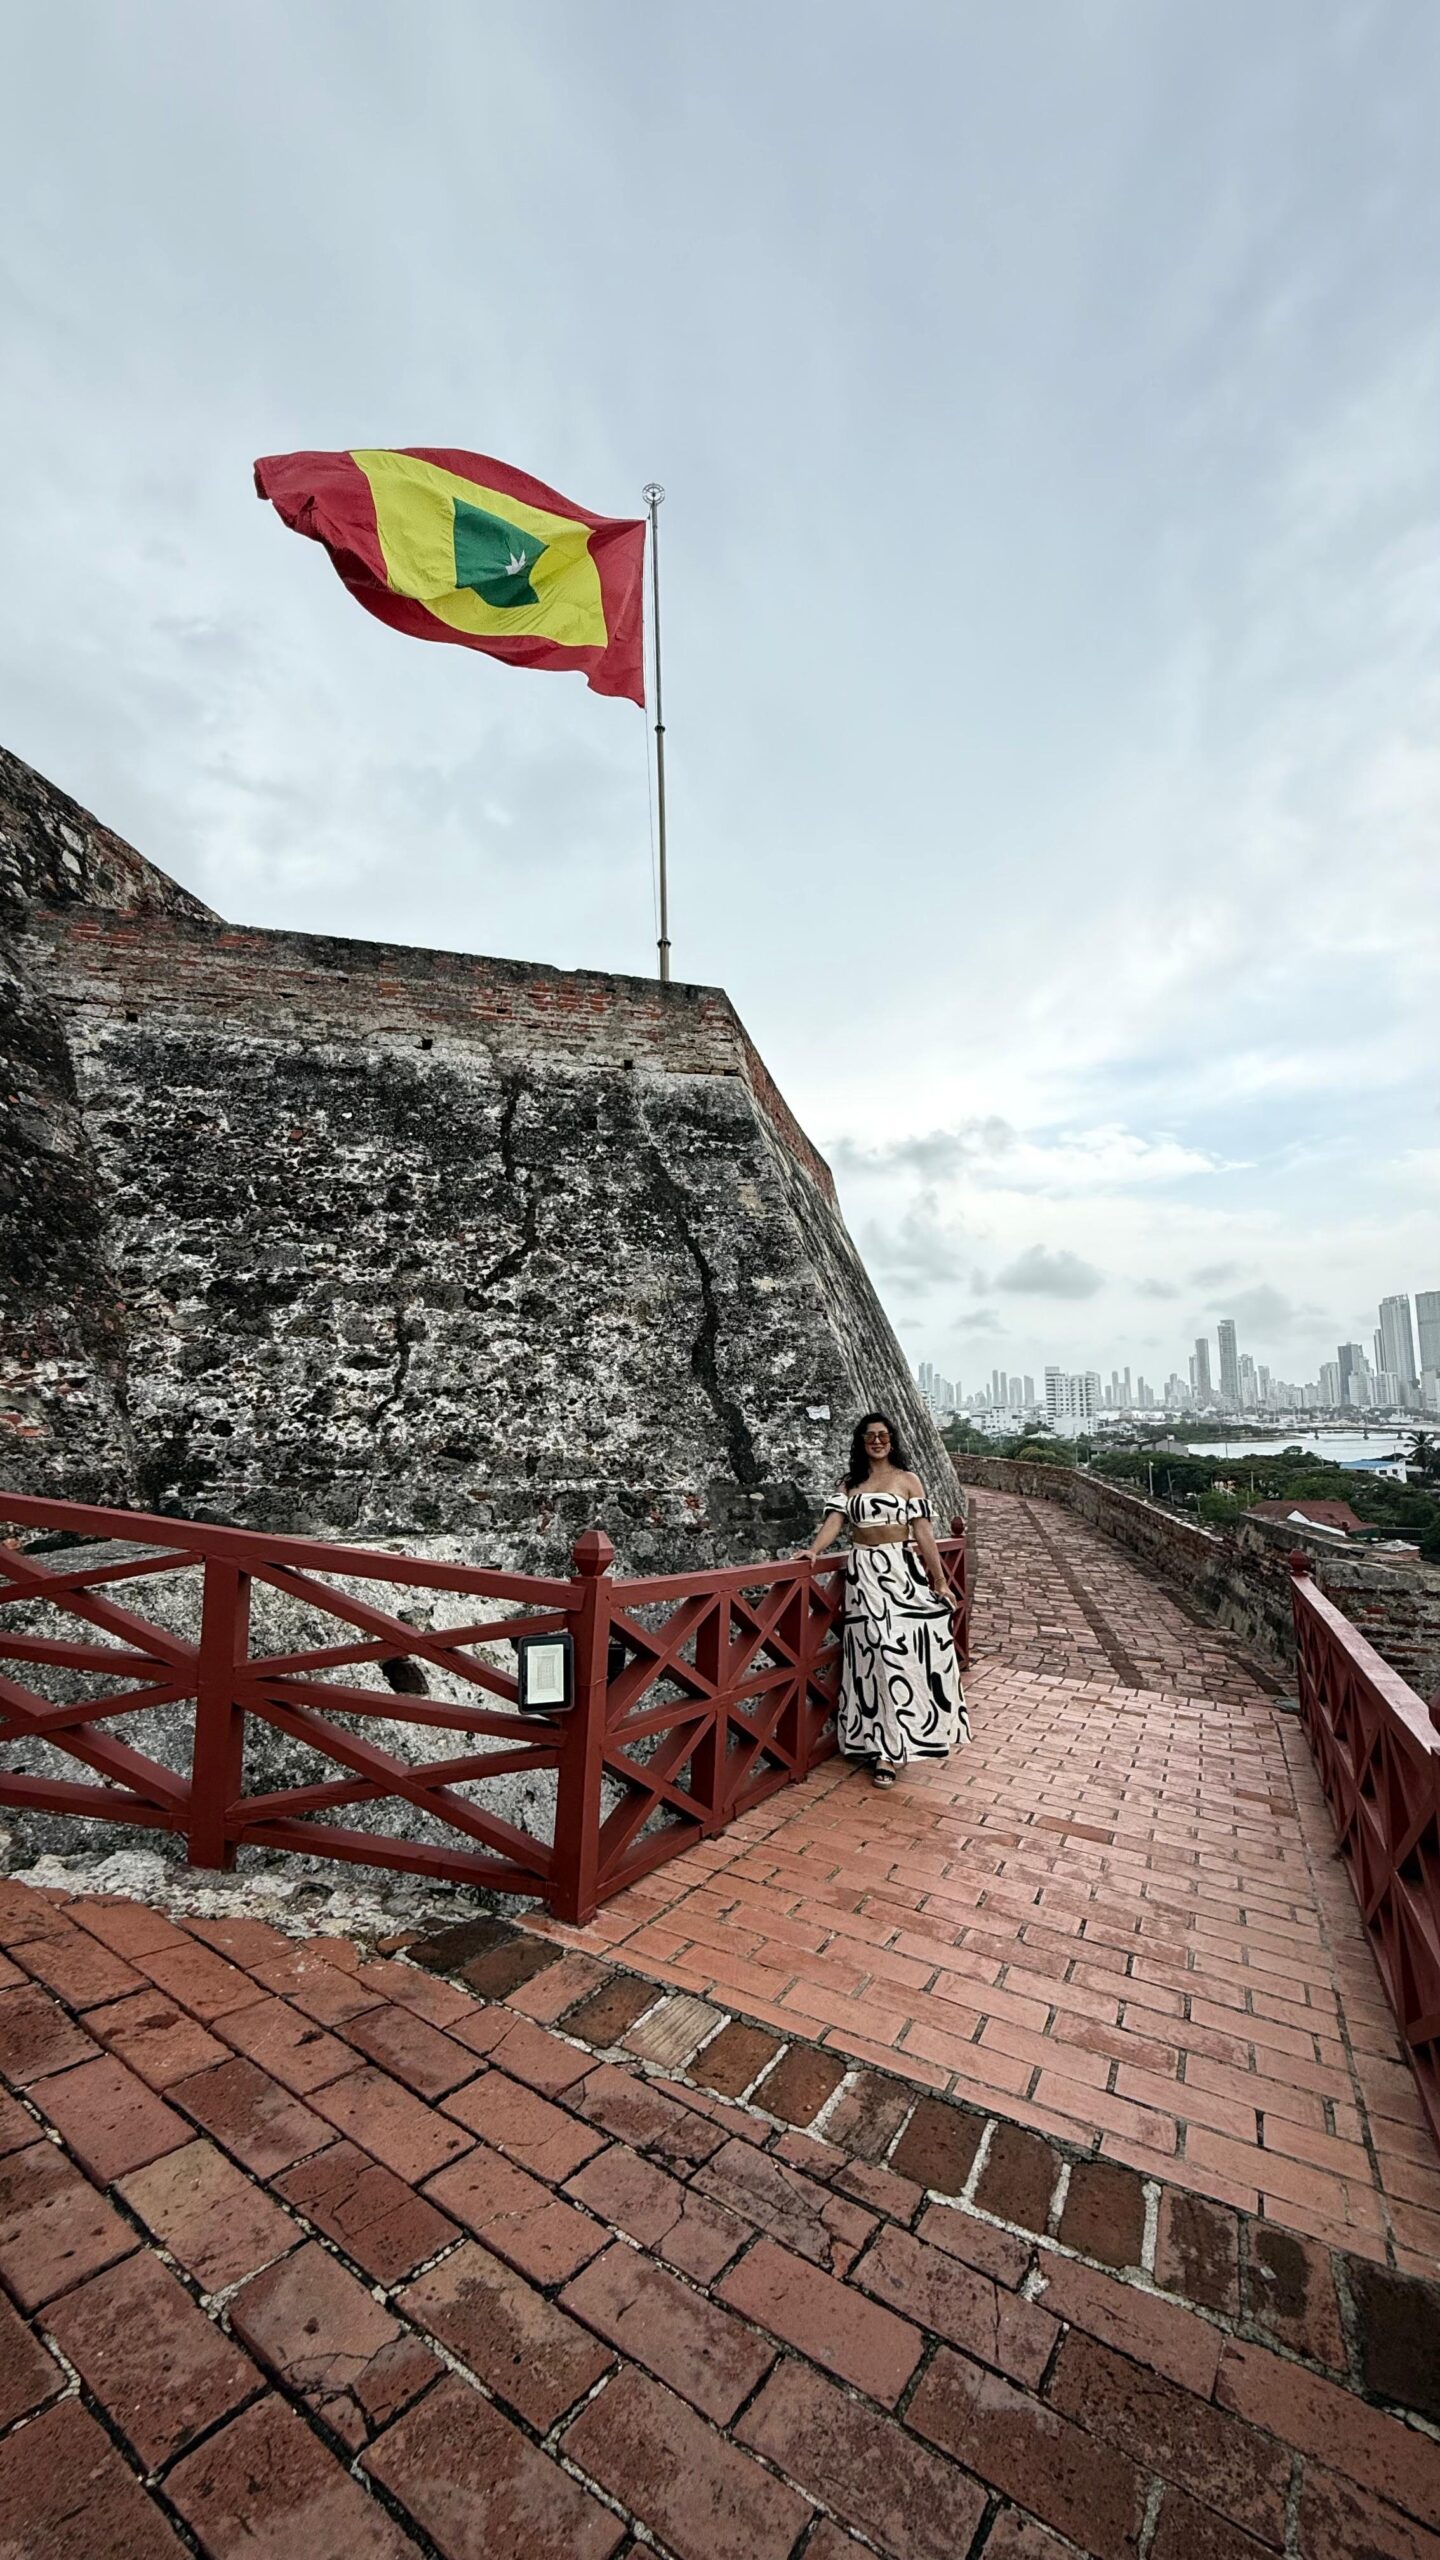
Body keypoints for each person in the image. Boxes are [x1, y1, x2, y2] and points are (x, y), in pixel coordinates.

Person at [798, 1411, 969, 1787]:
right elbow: (835, 1523)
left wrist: (940, 1582)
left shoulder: (908, 1480)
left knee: (903, 1652)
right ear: (861, 1442)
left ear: (892, 1440)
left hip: (900, 1571)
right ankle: (877, 1744)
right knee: (871, 1653)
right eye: (870, 1435)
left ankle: (898, 1745)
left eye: (883, 1435)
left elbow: (923, 1532)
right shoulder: (850, 1483)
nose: (877, 1441)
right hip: (863, 1574)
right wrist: (813, 1550)